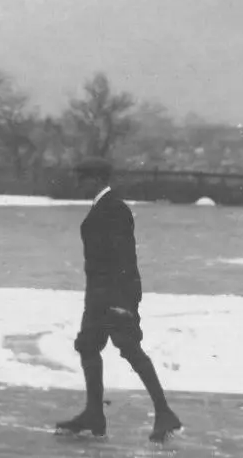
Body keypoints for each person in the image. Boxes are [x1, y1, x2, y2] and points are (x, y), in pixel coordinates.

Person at [55, 158, 183, 442]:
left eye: (83, 178)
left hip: (113, 295)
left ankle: (164, 413)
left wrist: (123, 302)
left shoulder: (113, 209)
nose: (79, 184)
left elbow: (124, 259)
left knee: (129, 348)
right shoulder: (105, 207)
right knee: (88, 346)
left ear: (96, 180)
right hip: (99, 296)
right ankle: (93, 413)